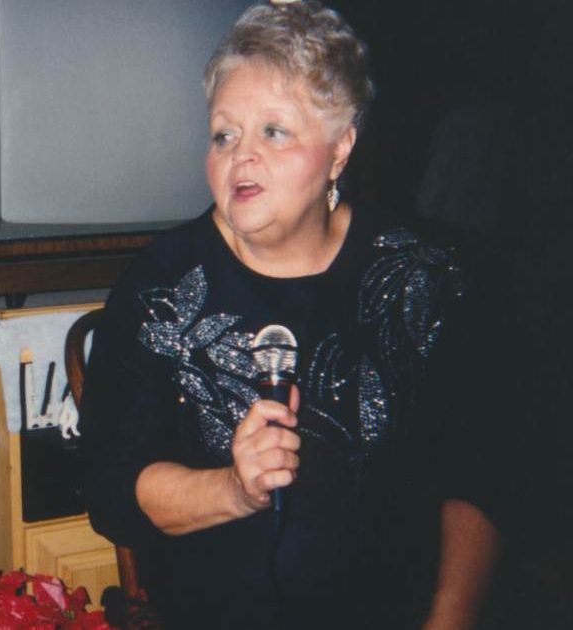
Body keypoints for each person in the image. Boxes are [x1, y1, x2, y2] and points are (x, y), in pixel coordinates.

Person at [80, 2, 497, 628]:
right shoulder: (160, 290)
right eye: (224, 135)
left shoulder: (425, 276)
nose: (241, 157)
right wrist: (234, 488)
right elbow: (112, 489)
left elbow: (481, 474)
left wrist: (448, 620)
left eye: (274, 131)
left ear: (340, 148)